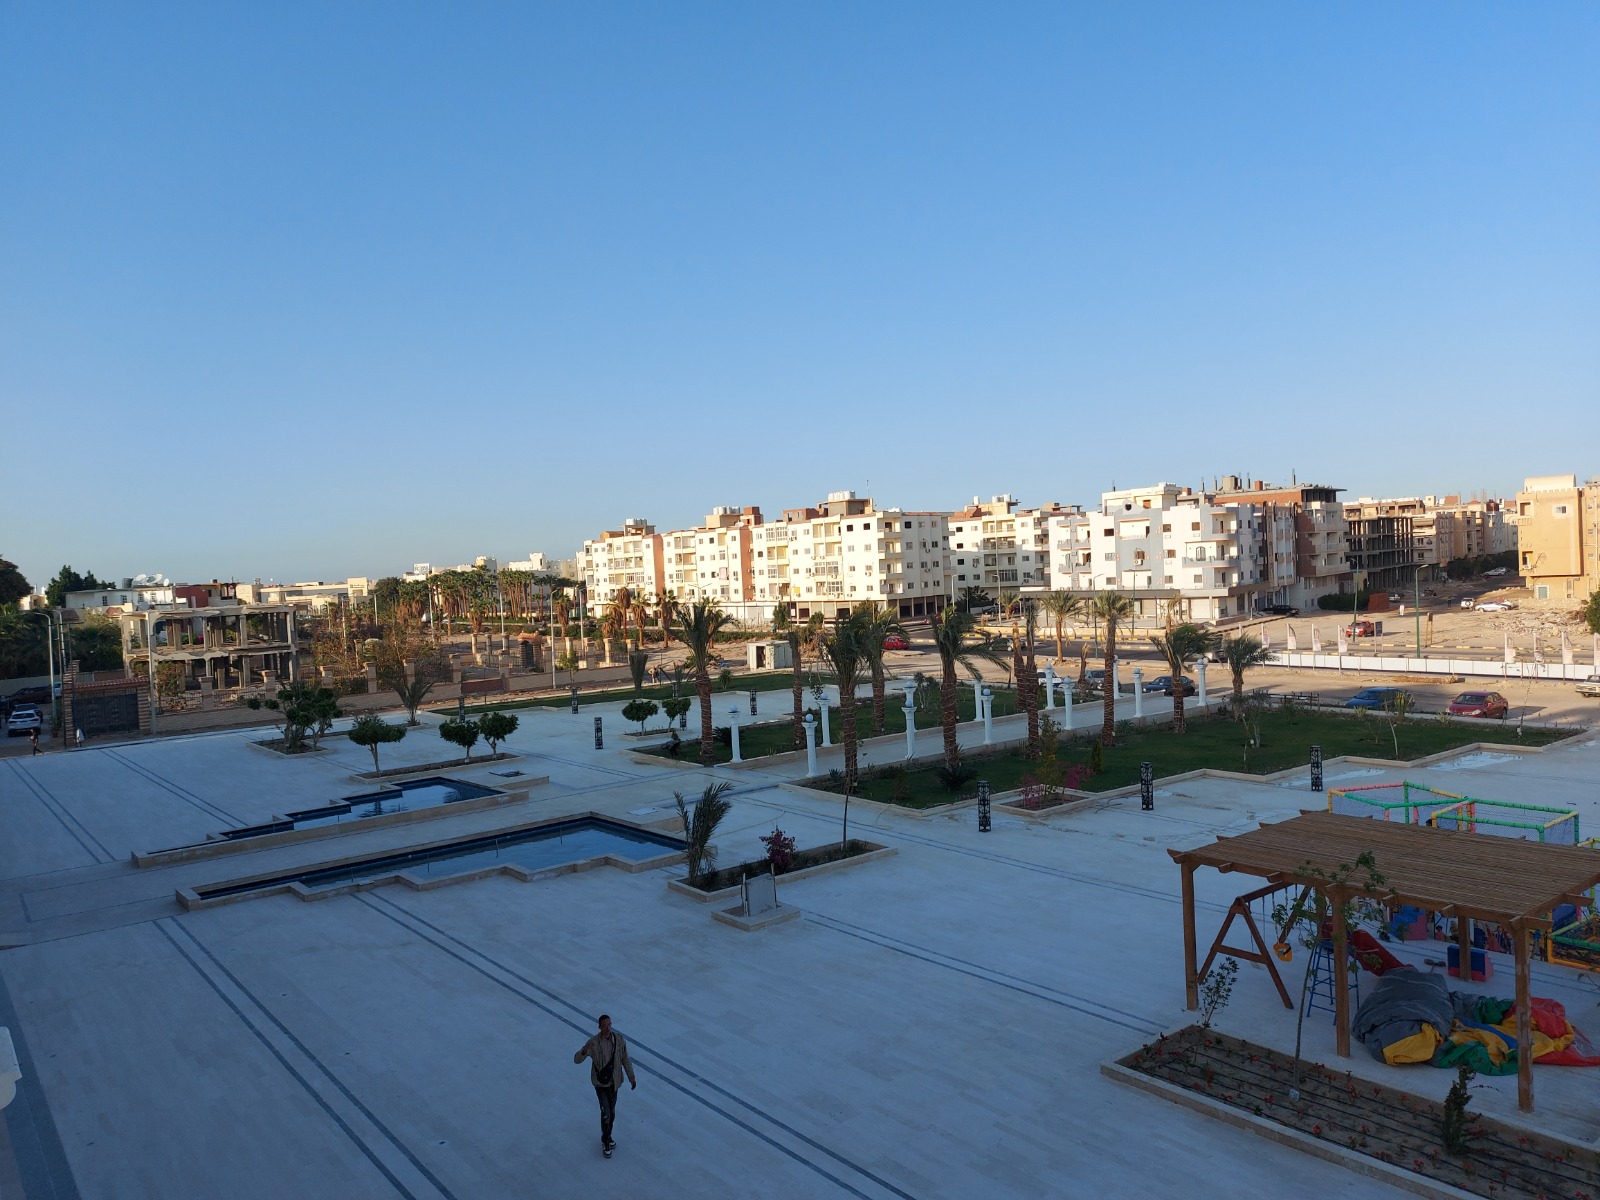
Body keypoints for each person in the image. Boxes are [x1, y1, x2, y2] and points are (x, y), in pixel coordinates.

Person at [573, 1014, 635, 1157]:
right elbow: (577, 1059)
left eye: (610, 1024)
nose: (608, 1027)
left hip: (614, 1082)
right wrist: (584, 1050)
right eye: (605, 1025)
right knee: (606, 1112)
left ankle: (608, 1135)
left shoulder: (619, 1040)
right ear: (599, 1027)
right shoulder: (593, 1043)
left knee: (611, 1112)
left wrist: (631, 1077)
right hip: (601, 1084)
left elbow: (625, 1059)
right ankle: (605, 1141)